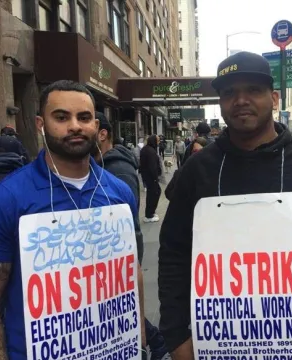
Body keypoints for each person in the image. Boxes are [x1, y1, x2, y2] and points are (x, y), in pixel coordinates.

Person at [158, 51, 292, 360]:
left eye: (253, 90)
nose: (241, 100)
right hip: (216, 347)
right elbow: (173, 253)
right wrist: (176, 337)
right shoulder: (198, 170)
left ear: (274, 97)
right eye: (229, 93)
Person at [0, 80, 146, 359]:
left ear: (96, 127)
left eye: (84, 117)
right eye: (62, 117)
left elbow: (132, 270)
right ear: (41, 123)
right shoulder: (9, 197)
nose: (75, 126)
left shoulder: (119, 192)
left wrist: (140, 341)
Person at [93, 112, 168, 360]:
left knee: (120, 306)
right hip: (101, 255)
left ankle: (155, 342)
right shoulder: (102, 166)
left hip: (117, 253)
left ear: (102, 133)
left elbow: (126, 218)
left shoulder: (118, 170)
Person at [164, 136, 207, 201]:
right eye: (195, 151)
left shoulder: (210, 172)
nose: (198, 154)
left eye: (200, 151)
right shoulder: (181, 172)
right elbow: (168, 193)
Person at [140, 134, 162, 222]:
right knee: (154, 194)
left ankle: (150, 212)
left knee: (153, 193)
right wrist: (155, 177)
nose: (159, 142)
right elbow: (152, 166)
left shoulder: (146, 149)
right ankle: (149, 215)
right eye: (157, 141)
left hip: (147, 177)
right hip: (151, 177)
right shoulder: (151, 151)